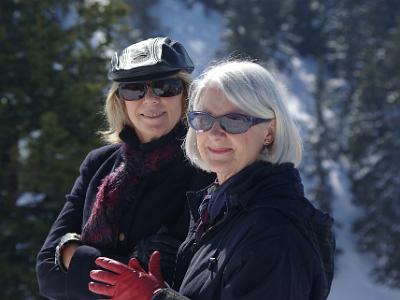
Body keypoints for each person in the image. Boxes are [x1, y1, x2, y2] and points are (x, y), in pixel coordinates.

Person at [88, 60, 336, 300]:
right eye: (204, 119)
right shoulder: (219, 208)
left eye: (235, 120)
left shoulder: (276, 232)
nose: (215, 133)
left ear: (269, 131)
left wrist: (154, 297)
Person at [36, 37, 215, 299]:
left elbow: (182, 276)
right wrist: (131, 268)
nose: (150, 100)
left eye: (165, 87)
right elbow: (46, 275)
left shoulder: (207, 169)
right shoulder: (99, 164)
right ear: (120, 101)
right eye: (134, 90)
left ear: (186, 95)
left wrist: (75, 255)